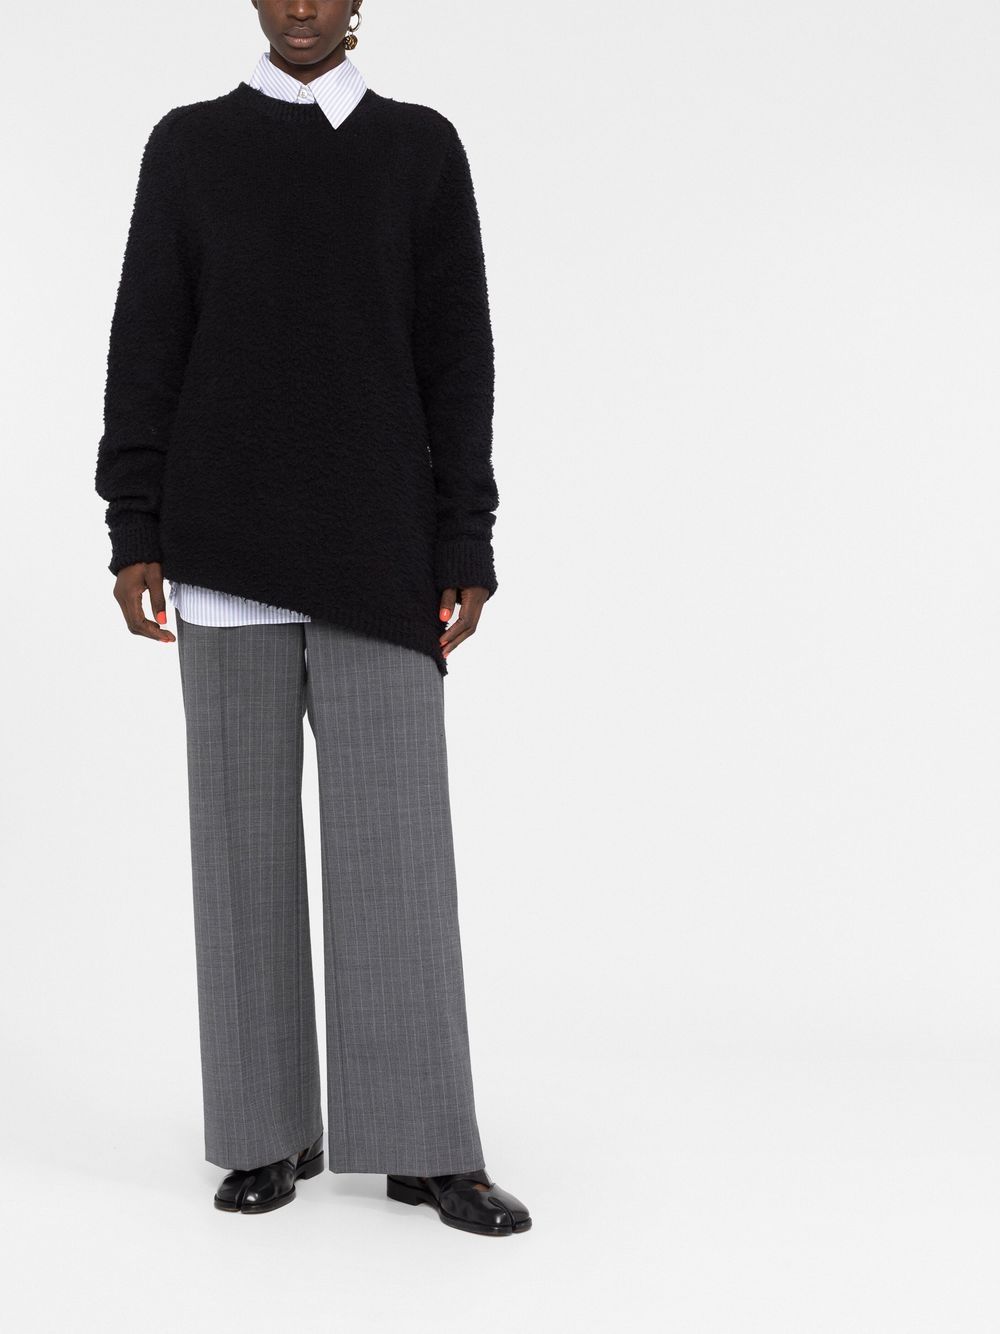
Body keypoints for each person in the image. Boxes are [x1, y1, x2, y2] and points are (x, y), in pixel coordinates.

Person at [94, 0, 530, 1237]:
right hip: (221, 543)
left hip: (380, 550)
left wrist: (466, 538)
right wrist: (134, 525)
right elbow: (146, 338)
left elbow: (457, 356)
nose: (300, 7)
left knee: (398, 858)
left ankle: (424, 1147)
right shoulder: (189, 146)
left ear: (357, 3)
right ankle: (264, 1132)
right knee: (239, 856)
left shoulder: (418, 149)